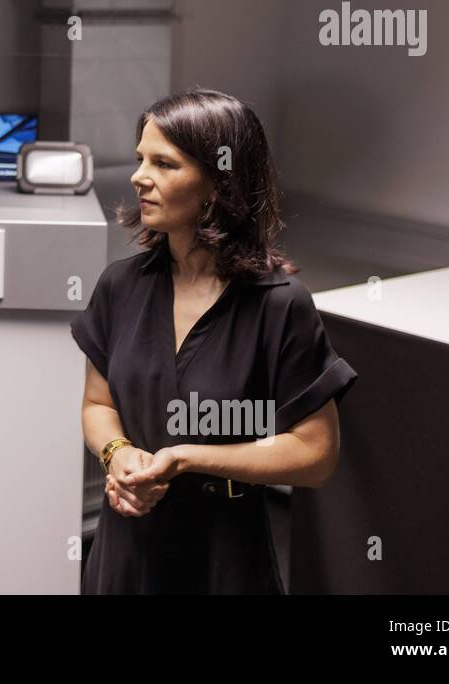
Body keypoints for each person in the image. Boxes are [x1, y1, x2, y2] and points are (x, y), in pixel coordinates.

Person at [73, 88, 357, 593]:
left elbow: (315, 455)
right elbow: (98, 405)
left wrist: (188, 458)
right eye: (141, 159)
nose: (139, 176)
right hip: (126, 552)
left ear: (217, 184)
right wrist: (118, 454)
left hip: (224, 556)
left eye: (164, 163)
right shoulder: (120, 285)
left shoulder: (279, 304)